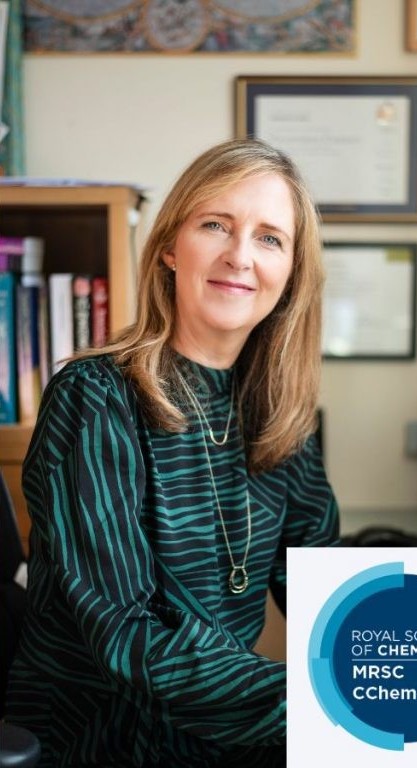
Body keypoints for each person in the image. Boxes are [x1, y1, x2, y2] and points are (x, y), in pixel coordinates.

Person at [6, 138, 339, 767]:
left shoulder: (282, 413)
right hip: (104, 739)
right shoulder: (95, 397)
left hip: (221, 729)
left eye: (270, 238)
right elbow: (129, 635)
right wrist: (333, 705)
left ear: (292, 271)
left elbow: (324, 587)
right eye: (216, 225)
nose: (240, 256)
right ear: (169, 246)